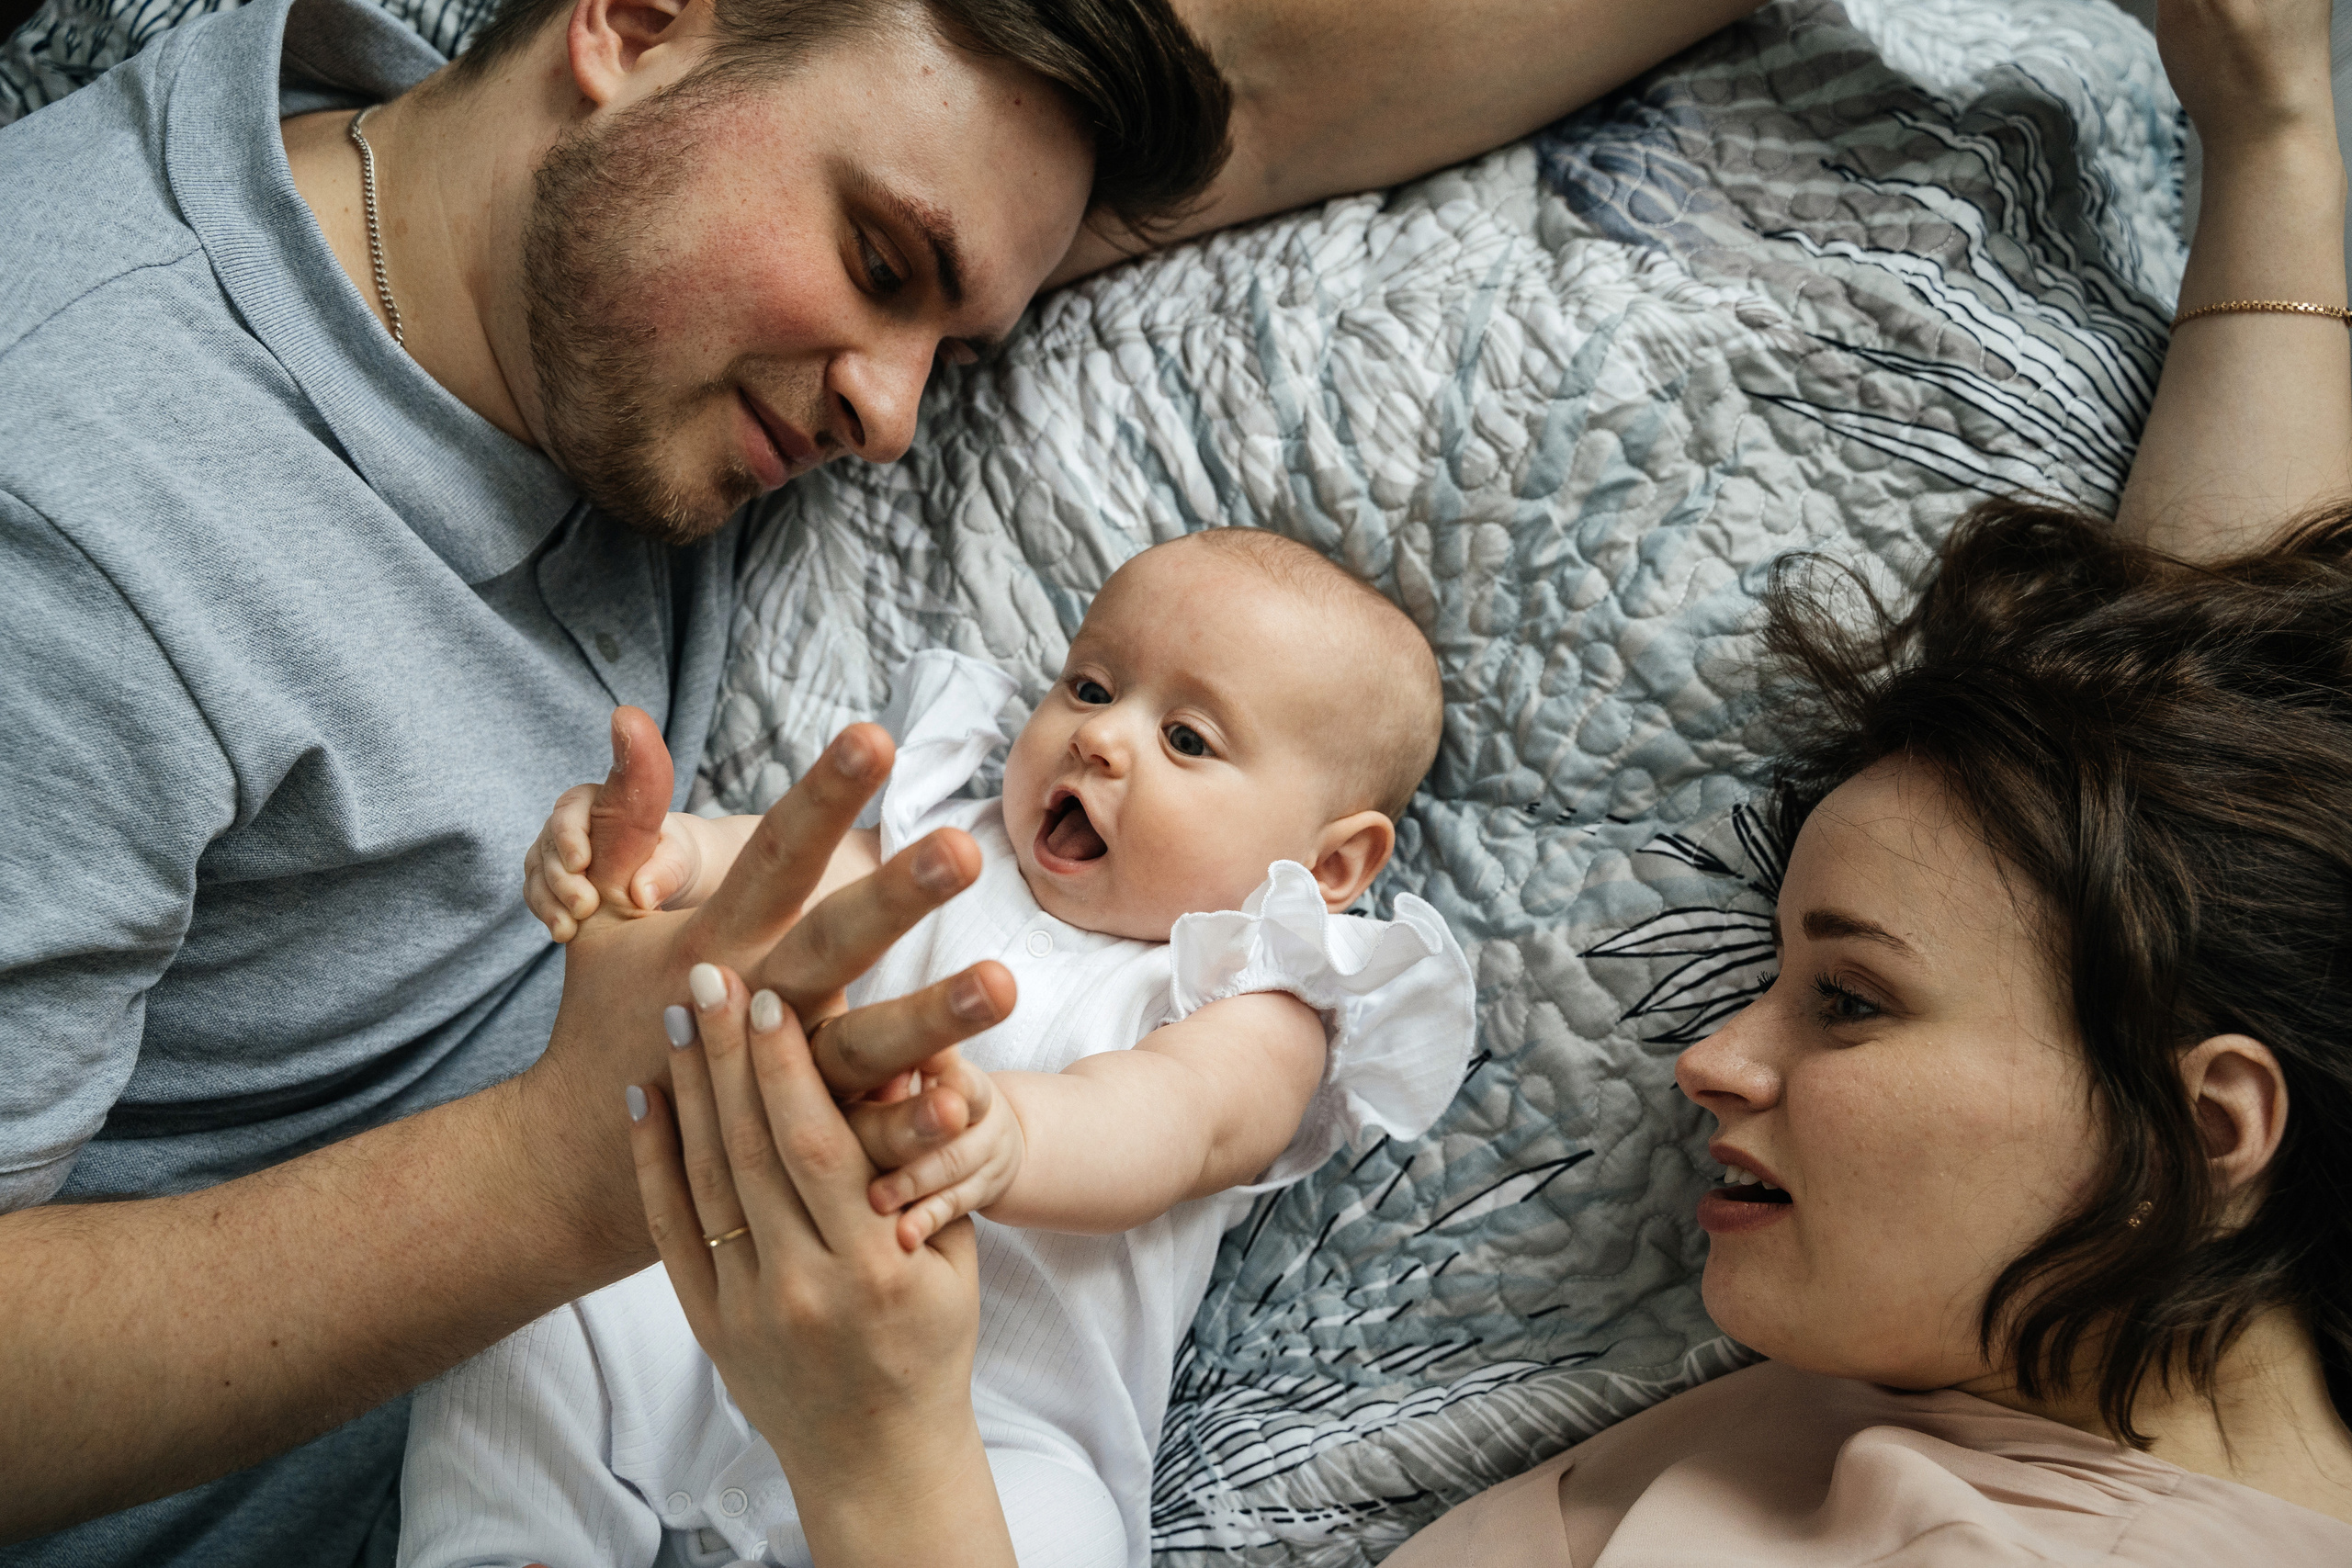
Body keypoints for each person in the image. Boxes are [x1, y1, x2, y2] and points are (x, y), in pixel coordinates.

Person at [0, 0, 1768, 1562]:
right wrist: (554, 1179)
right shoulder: (70, 498)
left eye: (960, 341)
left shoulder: (665, 235)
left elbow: (1271, 82)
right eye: (884, 264)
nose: (898, 421)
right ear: (633, 16)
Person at [611, 0, 2352, 1561]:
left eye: (1853, 1000)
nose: (1711, 1053)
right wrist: (2268, 122)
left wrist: (883, 1446)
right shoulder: (2027, 1378)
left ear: (2204, 1134)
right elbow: (2219, 749)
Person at [400, 529, 1476, 1567]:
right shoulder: (946, 845)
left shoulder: (1256, 999)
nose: (1099, 737)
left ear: (1331, 868)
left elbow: (1172, 1121)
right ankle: (511, 1543)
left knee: (1065, 1537)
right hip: (717, 1307)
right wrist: (668, 854)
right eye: (1092, 687)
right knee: (542, 1309)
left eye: (1186, 739)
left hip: (985, 1431)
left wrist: (1011, 1136)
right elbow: (782, 875)